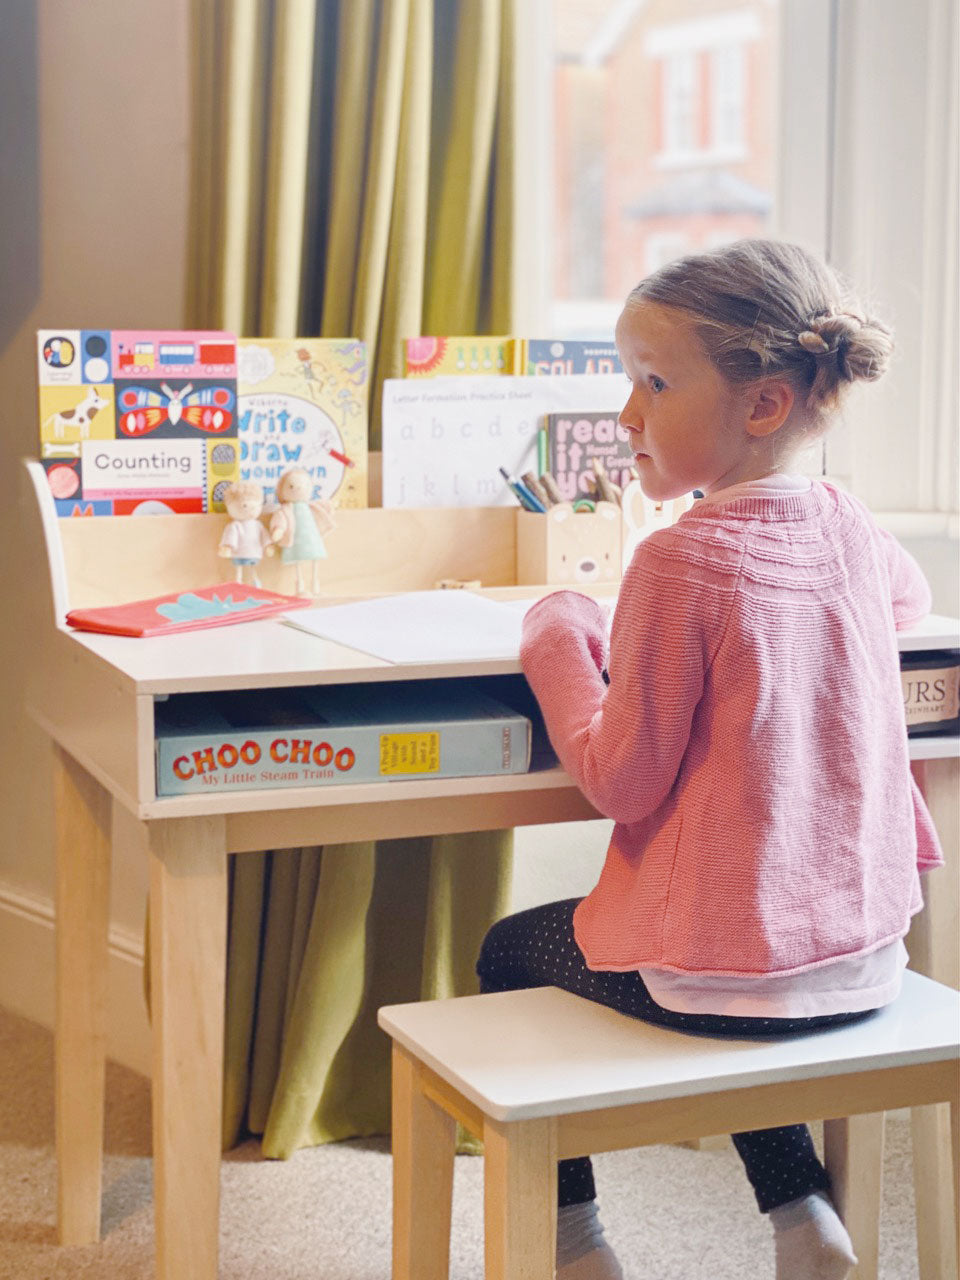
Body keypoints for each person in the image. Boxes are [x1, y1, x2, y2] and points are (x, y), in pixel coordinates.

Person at [476, 239, 944, 1280]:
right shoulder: (849, 523)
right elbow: (908, 602)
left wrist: (558, 635)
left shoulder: (679, 561)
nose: (628, 413)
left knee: (512, 950)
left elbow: (619, 776)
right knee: (736, 956)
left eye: (653, 381)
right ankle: (802, 1220)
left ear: (764, 404)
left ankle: (573, 1243)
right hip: (867, 962)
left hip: (727, 980)